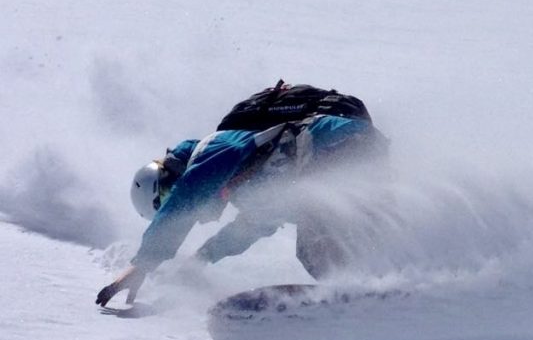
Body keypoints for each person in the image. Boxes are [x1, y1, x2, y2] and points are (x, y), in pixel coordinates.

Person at [96, 81, 388, 307]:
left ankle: (363, 299)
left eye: (169, 193)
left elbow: (189, 196)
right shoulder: (250, 182)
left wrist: (142, 264)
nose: (183, 204)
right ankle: (394, 284)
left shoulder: (214, 148)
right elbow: (255, 224)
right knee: (344, 238)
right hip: (354, 149)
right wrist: (202, 258)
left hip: (340, 142)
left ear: (174, 174)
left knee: (317, 245)